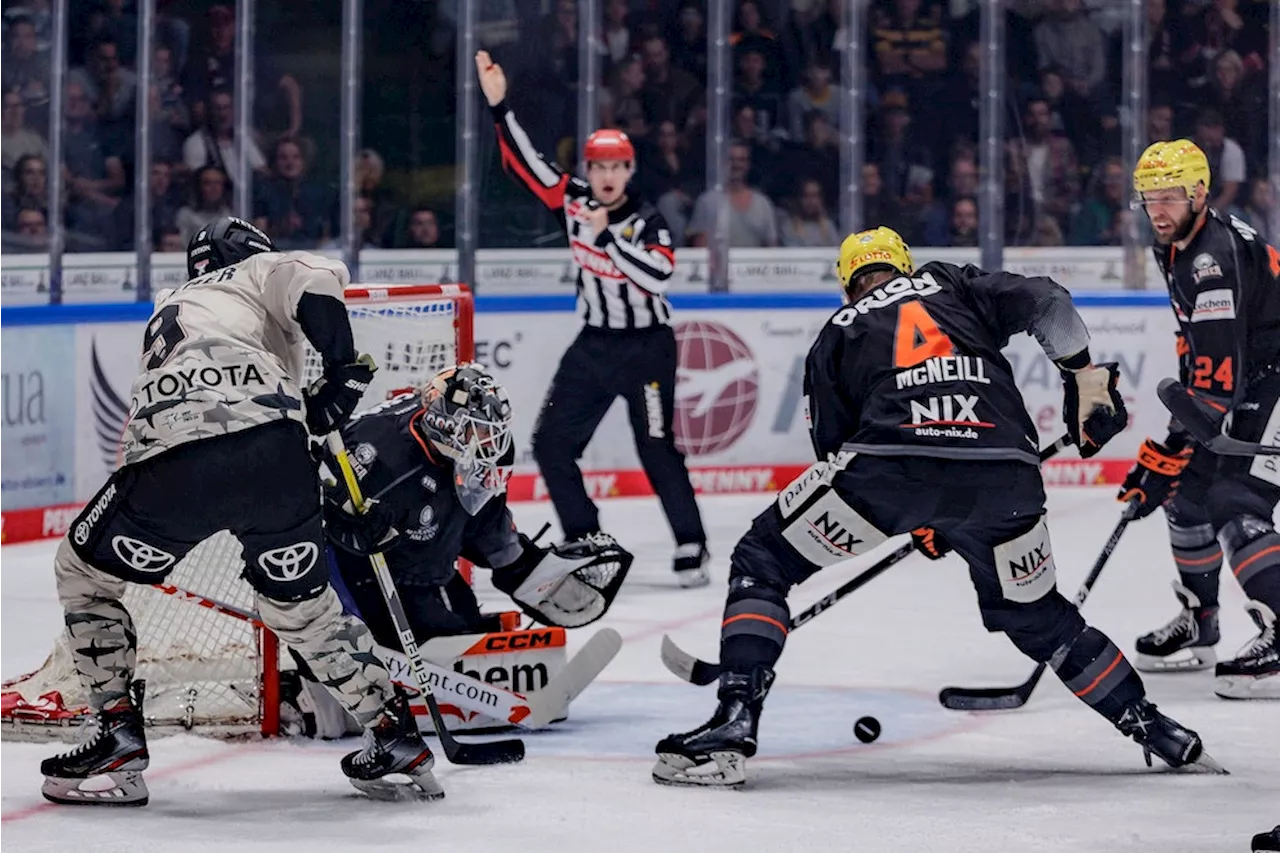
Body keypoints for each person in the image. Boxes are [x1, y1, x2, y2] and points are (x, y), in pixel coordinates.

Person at [652, 226, 1221, 787]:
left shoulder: (838, 330)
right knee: (1041, 617)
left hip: (890, 468)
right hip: (1007, 477)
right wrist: (1083, 377)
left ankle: (733, 721)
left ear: (847, 283)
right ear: (904, 264)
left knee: (763, 561)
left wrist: (916, 511)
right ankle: (1154, 728)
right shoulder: (949, 284)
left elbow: (833, 455)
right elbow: (1050, 302)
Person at [40, 216, 442, 805]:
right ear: (251, 252)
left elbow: (203, 410)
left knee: (82, 576)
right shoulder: (257, 271)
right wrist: (345, 373)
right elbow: (319, 277)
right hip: (276, 458)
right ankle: (393, 731)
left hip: (175, 463)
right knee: (301, 609)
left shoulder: (171, 300)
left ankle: (117, 730)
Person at [475, 49, 711, 588]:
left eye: (615, 166)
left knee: (655, 447)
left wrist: (609, 238)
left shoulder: (649, 219)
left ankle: (691, 540)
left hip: (649, 347)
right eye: (598, 166)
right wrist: (499, 106)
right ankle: (584, 534)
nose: (606, 175)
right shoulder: (574, 201)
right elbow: (527, 165)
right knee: (552, 444)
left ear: (629, 170)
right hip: (595, 344)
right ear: (589, 170)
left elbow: (657, 277)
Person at [318, 363, 634, 649]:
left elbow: (480, 515)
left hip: (429, 569)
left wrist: (520, 566)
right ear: (445, 423)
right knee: (443, 632)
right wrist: (345, 528)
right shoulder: (378, 451)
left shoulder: (470, 452)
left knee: (463, 620)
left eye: (492, 429)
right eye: (480, 429)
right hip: (372, 577)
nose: (490, 439)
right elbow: (316, 504)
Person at [1121, 139, 1280, 699]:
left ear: (1199, 194)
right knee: (1187, 493)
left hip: (1275, 380)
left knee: (1235, 500)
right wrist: (1172, 458)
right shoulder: (1179, 244)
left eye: (1169, 196)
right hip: (1258, 377)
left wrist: (1168, 449)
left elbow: (1217, 386)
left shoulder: (1210, 259)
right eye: (1148, 198)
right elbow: (1204, 362)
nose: (1157, 209)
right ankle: (1202, 622)